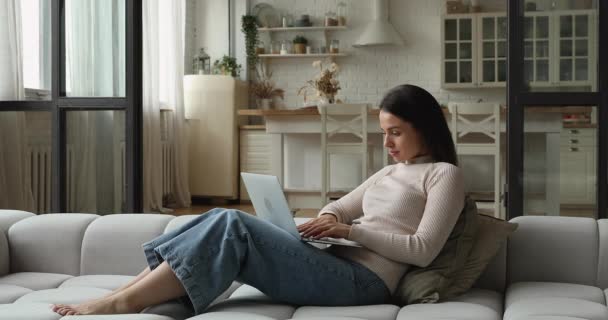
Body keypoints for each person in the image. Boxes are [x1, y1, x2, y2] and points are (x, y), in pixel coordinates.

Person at [52, 84, 465, 316]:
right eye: (383, 131)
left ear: (424, 128)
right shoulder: (389, 172)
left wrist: (351, 231)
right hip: (334, 259)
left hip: (365, 283)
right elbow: (340, 207)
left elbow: (423, 250)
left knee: (233, 223)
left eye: (395, 131)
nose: (386, 142)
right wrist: (325, 221)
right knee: (217, 214)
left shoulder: (444, 175)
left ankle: (121, 302)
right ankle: (124, 293)